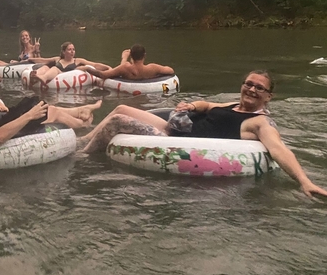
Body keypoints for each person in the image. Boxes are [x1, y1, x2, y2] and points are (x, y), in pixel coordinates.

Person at [78, 70, 327, 198]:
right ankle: (83, 141)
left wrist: (304, 181)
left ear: (268, 96)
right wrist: (191, 106)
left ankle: (83, 156)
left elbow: (279, 149)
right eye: (248, 84)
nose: (251, 89)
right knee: (121, 107)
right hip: (175, 126)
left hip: (175, 142)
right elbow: (207, 106)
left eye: (258, 88)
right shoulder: (233, 104)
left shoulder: (260, 122)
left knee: (120, 120)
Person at [0, 81, 103, 144]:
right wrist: (29, 116)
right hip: (8, 132)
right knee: (47, 111)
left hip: (3, 123)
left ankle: (82, 114)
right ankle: (84, 126)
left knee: (42, 106)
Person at [28, 42, 111, 85]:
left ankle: (43, 78)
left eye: (73, 49)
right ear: (64, 52)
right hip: (56, 76)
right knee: (47, 67)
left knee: (55, 68)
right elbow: (43, 60)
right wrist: (29, 59)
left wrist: (107, 68)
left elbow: (94, 65)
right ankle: (36, 76)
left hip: (69, 77)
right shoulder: (58, 59)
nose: (72, 52)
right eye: (69, 49)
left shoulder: (78, 61)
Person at [86, 44, 174, 80]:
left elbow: (103, 75)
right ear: (144, 56)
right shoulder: (153, 68)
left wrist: (87, 68)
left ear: (131, 56)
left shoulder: (126, 68)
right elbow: (170, 71)